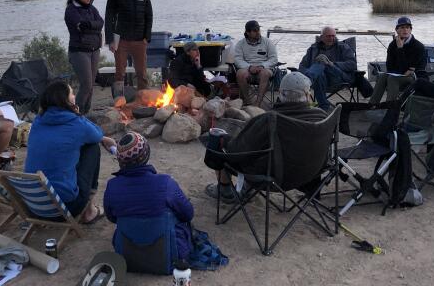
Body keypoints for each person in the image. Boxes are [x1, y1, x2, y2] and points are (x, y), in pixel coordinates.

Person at [203, 71, 326, 203]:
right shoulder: (321, 116)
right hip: (308, 174)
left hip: (274, 178)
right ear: (307, 95)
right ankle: (246, 187)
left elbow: (238, 149)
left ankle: (225, 189)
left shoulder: (269, 120)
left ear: (280, 93)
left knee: (218, 140)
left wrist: (224, 139)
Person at [24, 80, 117, 223]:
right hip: (64, 208)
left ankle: (89, 209)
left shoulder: (38, 121)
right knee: (92, 147)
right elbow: (97, 134)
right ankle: (89, 212)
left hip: (35, 205)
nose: (74, 96)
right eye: (72, 94)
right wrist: (77, 114)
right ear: (65, 101)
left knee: (69, 152)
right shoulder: (75, 123)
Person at [103, 132, 195, 262]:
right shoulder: (166, 183)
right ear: (146, 154)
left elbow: (112, 217)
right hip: (168, 255)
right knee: (177, 208)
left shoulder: (112, 186)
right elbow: (188, 214)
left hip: (128, 255)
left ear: (121, 161)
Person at [105, 0, 153, 98]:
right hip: (121, 40)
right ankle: (119, 100)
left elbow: (149, 16)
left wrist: (146, 37)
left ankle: (143, 99)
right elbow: (109, 18)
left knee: (142, 73)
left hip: (139, 40)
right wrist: (110, 40)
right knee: (120, 72)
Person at [298, 26, 373, 110]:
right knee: (320, 70)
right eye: (328, 36)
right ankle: (324, 106)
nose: (331, 38)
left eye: (333, 36)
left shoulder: (343, 47)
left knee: (322, 62)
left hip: (339, 77)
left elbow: (352, 64)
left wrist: (332, 64)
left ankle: (309, 80)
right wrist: (312, 70)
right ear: (321, 37)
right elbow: (302, 66)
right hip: (320, 79)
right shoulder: (313, 49)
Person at [64, 0, 104, 114]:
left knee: (91, 85)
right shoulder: (71, 10)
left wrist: (90, 25)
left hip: (94, 50)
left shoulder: (91, 8)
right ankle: (77, 114)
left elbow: (101, 23)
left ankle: (86, 112)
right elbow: (81, 26)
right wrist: (93, 26)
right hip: (79, 52)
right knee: (86, 84)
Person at [369, 16, 428, 104]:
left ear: (411, 30)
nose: (405, 30)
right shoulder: (392, 45)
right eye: (402, 27)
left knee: (393, 78)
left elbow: (411, 70)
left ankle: (390, 108)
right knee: (382, 76)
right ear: (397, 30)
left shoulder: (418, 46)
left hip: (415, 77)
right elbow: (389, 66)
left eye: (407, 28)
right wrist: (401, 69)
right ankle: (372, 105)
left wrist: (400, 49)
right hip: (399, 74)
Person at [233, 20, 278, 106]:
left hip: (264, 69)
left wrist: (262, 66)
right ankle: (247, 101)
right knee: (240, 73)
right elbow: (237, 59)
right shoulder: (240, 44)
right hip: (247, 69)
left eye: (258, 29)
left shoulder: (268, 42)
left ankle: (258, 104)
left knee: (265, 74)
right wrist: (249, 67)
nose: (258, 32)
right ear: (248, 32)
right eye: (255, 30)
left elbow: (274, 59)